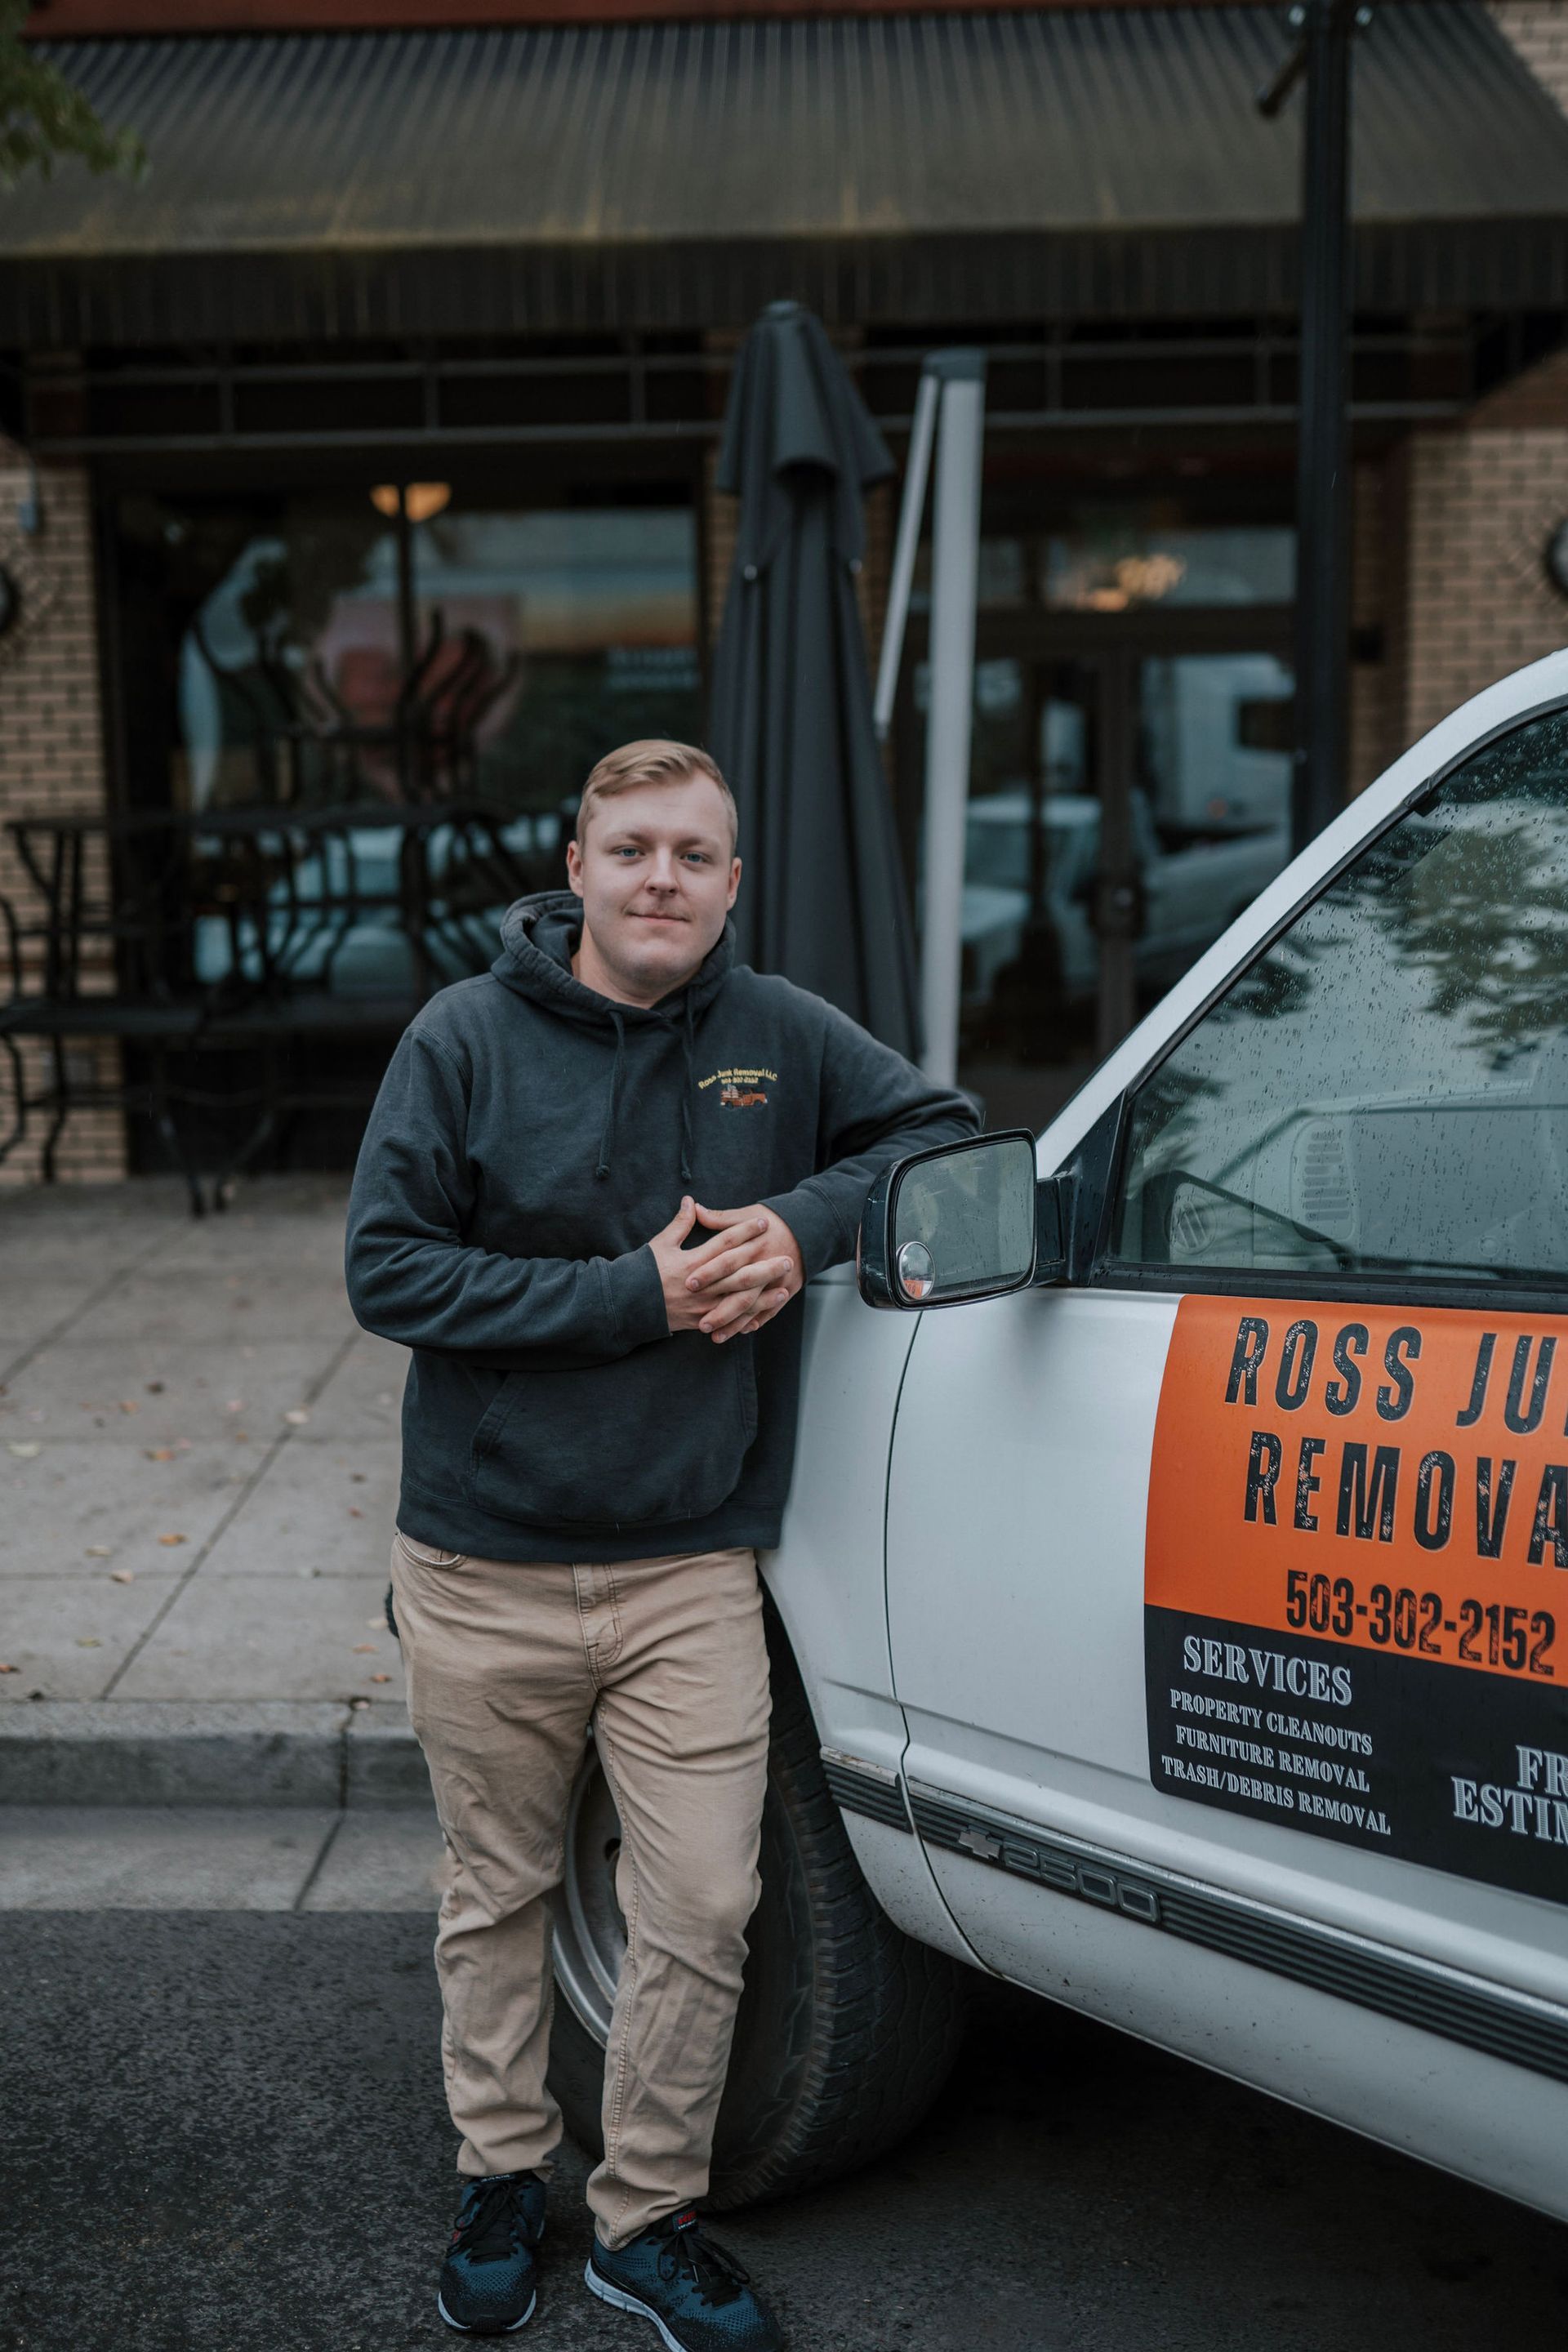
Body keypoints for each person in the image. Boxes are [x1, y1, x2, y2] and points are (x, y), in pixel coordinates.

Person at [345, 738, 975, 2348]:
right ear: (576, 870)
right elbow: (389, 1272)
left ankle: (645, 2219)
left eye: (695, 855)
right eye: (631, 849)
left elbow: (942, 1132)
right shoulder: (462, 1037)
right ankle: (501, 2176)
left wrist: (801, 1225)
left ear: (731, 882)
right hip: (485, 1559)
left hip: (692, 1565)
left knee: (700, 1905)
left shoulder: (776, 1033)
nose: (661, 880)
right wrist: (643, 1295)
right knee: (500, 1891)